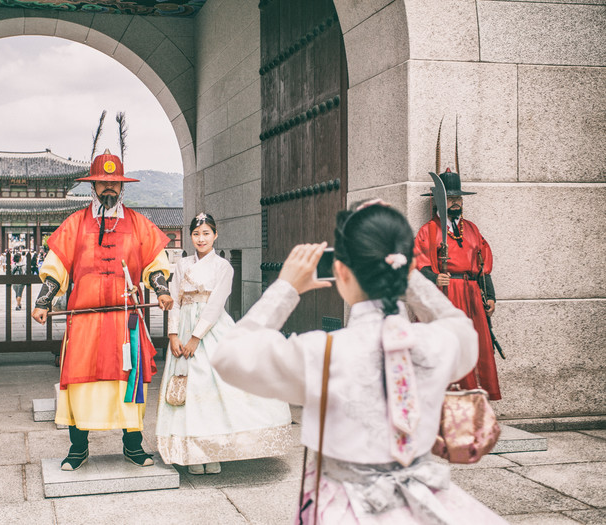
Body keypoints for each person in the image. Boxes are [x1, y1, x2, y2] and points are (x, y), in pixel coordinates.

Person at [211, 201, 508, 524]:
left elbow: (229, 356)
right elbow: (460, 325)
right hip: (426, 505)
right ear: (403, 265)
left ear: (341, 271)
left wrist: (286, 288)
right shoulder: (438, 344)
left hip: (343, 510)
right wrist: (413, 281)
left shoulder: (323, 355)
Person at [31, 144, 173, 471]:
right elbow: (57, 266)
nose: (109, 187)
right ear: (93, 186)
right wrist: (43, 301)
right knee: (80, 381)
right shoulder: (75, 223)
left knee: (129, 380)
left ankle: (133, 445)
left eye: (115, 183)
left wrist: (162, 290)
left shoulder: (139, 224)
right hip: (84, 322)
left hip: (126, 322)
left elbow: (156, 264)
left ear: (122, 186)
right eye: (102, 182)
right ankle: (78, 447)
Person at [156, 213, 292, 475]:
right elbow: (174, 298)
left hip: (210, 329)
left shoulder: (223, 267)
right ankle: (192, 452)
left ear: (215, 235)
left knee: (213, 387)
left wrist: (196, 337)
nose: (201, 238)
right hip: (183, 325)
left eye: (206, 233)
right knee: (187, 390)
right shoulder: (182, 265)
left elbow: (217, 304)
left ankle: (214, 450)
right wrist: (174, 335)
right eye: (196, 234)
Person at [414, 169, 501, 400]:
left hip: (471, 294)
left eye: (458, 199)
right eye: (450, 199)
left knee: (474, 345)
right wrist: (434, 277)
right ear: (438, 202)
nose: (455, 203)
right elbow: (418, 262)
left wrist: (489, 295)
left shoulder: (472, 229)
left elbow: (483, 265)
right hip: (445, 294)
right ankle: (445, 399)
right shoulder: (428, 231)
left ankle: (473, 399)